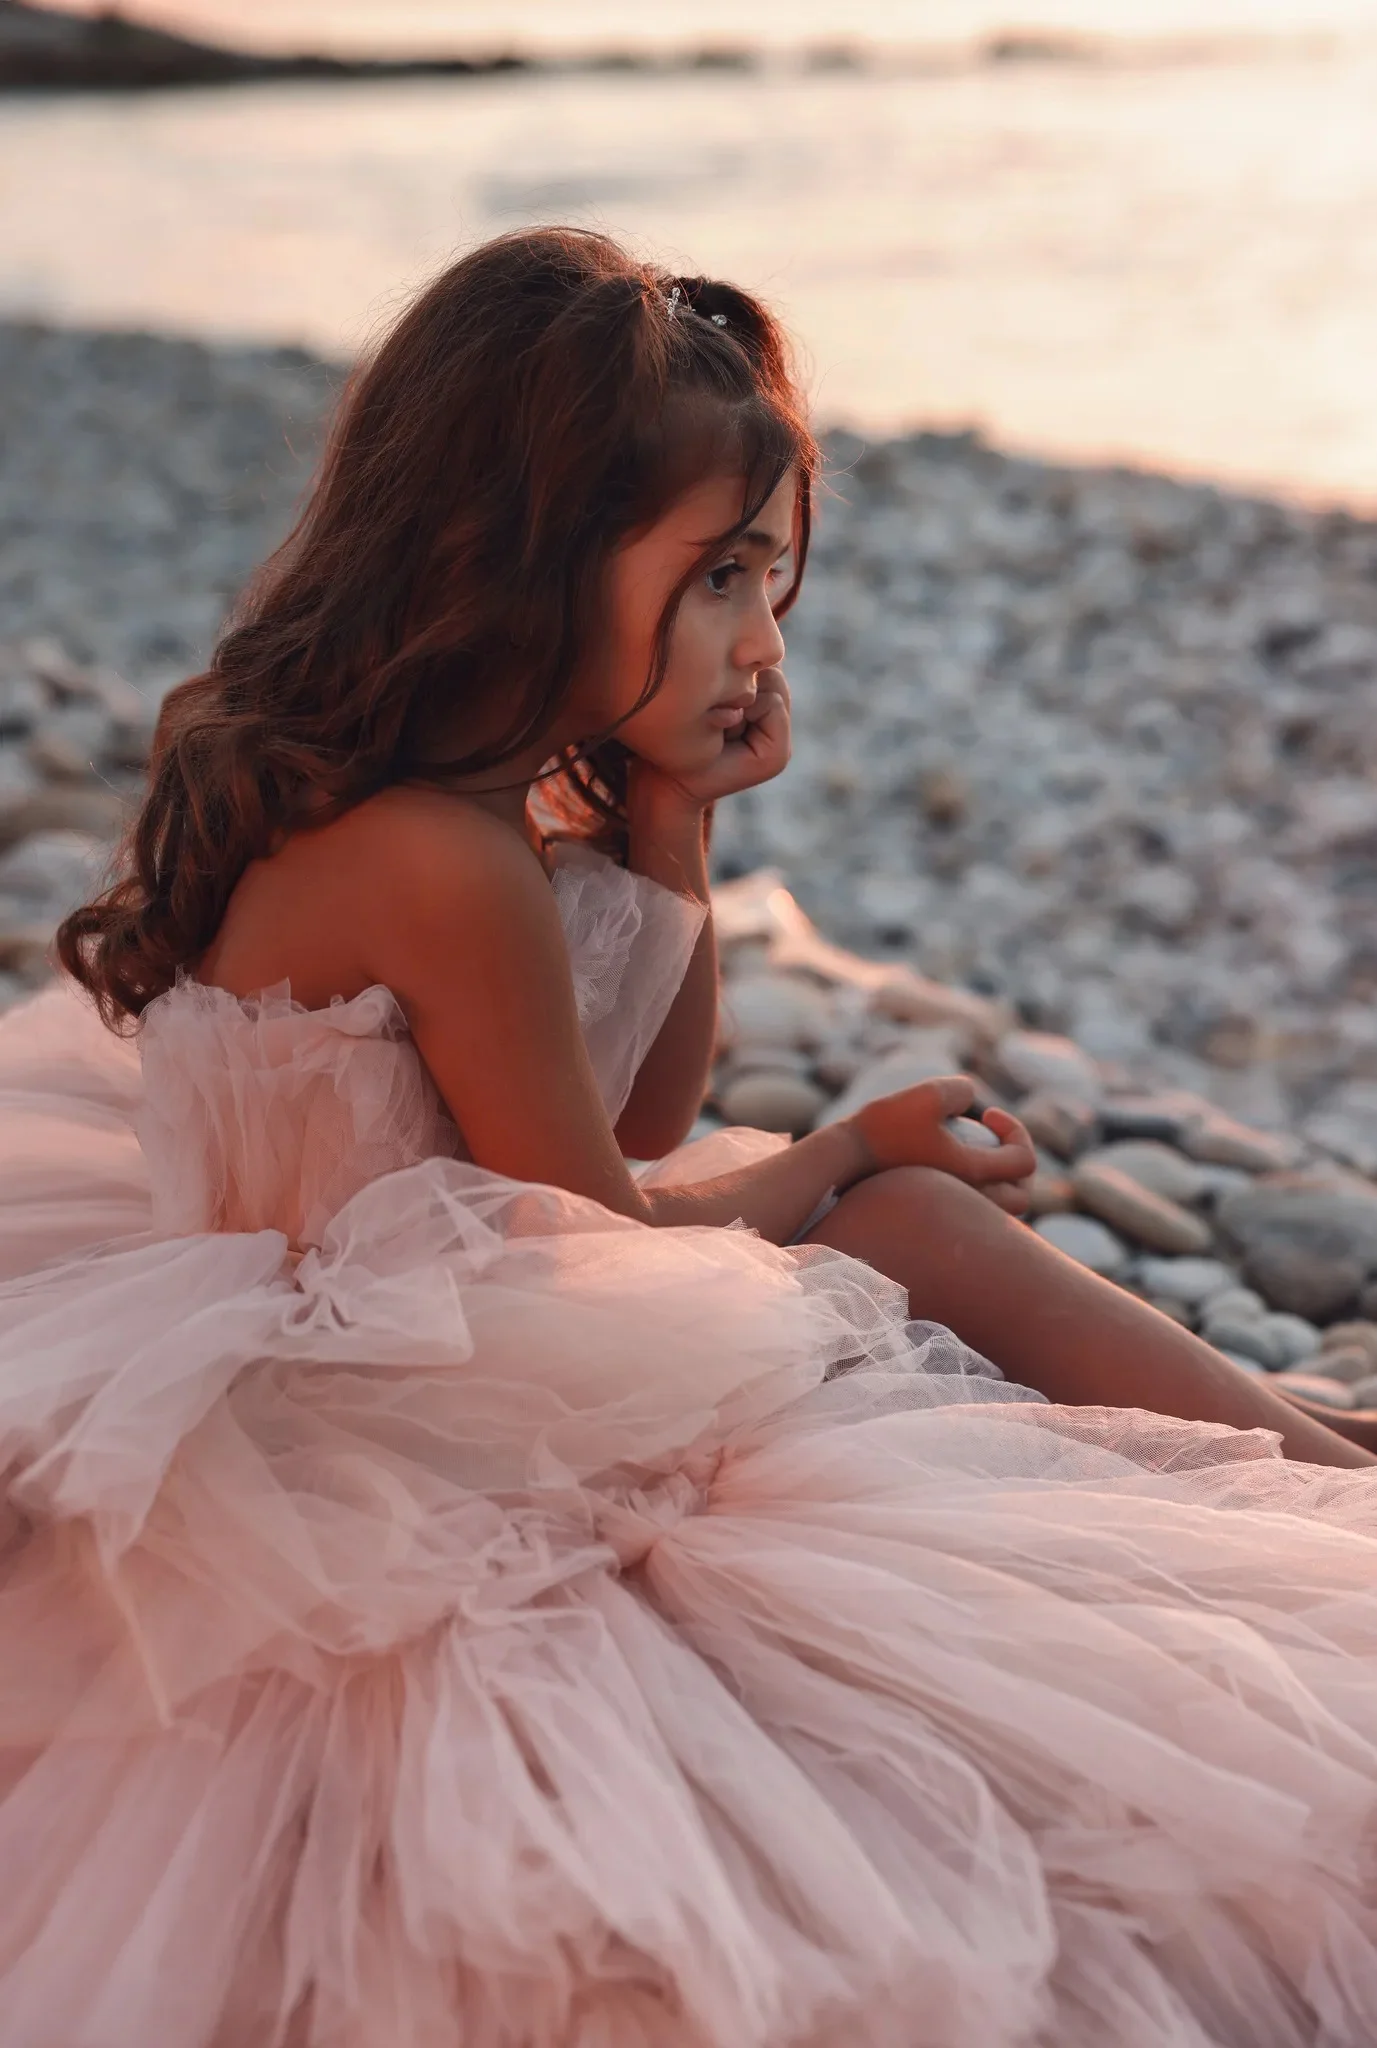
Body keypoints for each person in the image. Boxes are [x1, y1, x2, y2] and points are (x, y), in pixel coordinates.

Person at [2, 226, 1376, 2048]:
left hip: (401, 1301)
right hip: (386, 1388)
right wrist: (830, 1153)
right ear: (526, 559)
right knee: (895, 1215)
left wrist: (672, 838)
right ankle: (1324, 1475)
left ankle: (1308, 1448)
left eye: (768, 582)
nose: (757, 639)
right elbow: (591, 1218)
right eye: (718, 577)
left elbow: (630, 1105)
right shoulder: (442, 861)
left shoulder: (432, 807)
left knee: (870, 1213)